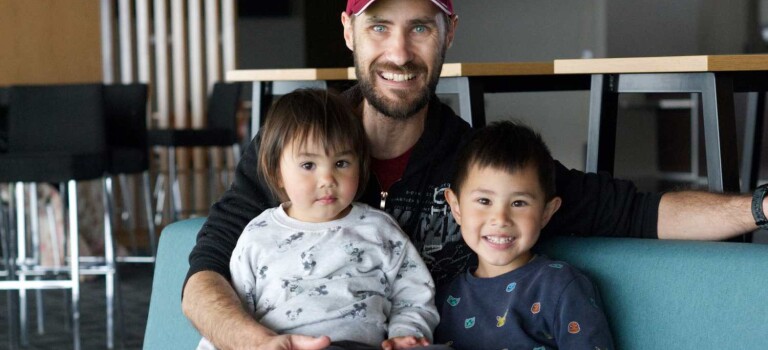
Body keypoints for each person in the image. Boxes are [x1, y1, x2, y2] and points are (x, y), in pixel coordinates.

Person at [182, 0, 768, 349]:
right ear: (348, 32)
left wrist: (759, 208)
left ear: (449, 34)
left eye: (422, 27)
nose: (400, 52)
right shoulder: (294, 151)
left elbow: (632, 211)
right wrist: (260, 344)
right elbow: (204, 273)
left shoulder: (476, 166)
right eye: (380, 25)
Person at [196, 89, 447, 350]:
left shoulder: (379, 229)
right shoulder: (258, 235)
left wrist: (404, 334)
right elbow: (234, 314)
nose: (327, 180)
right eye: (308, 165)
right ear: (277, 172)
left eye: (341, 163)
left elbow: (414, 295)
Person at [434, 121, 614, 349]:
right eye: (484, 201)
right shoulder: (441, 300)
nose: (500, 219)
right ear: (456, 207)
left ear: (546, 212)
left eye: (519, 203)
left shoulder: (560, 287)